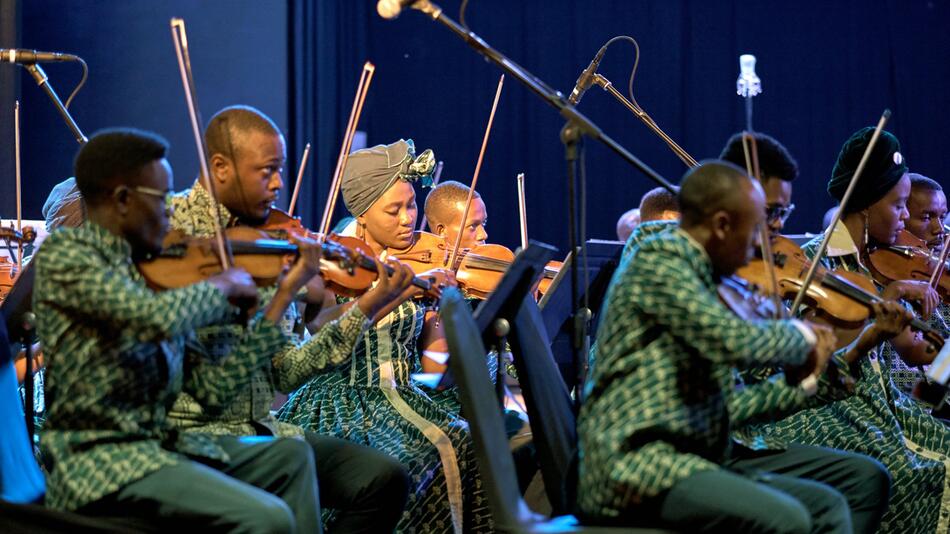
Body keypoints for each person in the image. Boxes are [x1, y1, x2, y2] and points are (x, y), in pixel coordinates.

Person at [35, 128, 324, 532]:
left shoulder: (156, 274)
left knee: (291, 457)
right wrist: (220, 285)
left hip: (164, 448)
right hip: (100, 463)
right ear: (122, 200)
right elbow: (147, 318)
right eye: (162, 198)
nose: (171, 211)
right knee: (268, 517)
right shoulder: (71, 256)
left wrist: (280, 300)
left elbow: (213, 391)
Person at [577, 160, 880, 533]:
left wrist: (809, 381)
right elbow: (728, 338)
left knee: (835, 500)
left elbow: (730, 406)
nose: (761, 246)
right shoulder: (659, 259)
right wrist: (803, 338)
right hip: (634, 465)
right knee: (790, 518)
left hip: (695, 455)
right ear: (721, 225)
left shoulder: (714, 282)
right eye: (755, 230)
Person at [168, 105, 413, 532]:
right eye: (267, 171)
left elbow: (285, 371)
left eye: (280, 171)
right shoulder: (169, 231)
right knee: (290, 465)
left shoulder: (270, 241)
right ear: (221, 168)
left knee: (384, 479)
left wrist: (371, 304)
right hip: (195, 436)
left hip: (264, 428)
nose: (279, 184)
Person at [279, 139, 492, 533]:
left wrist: (444, 313)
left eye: (410, 205)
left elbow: (432, 361)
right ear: (362, 212)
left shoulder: (410, 262)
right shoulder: (331, 263)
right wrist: (390, 292)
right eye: (393, 210)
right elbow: (319, 327)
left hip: (402, 394)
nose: (408, 218)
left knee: (473, 439)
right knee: (440, 447)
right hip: (344, 402)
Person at [749, 127, 950, 532]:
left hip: (882, 404)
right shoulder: (814, 265)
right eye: (899, 207)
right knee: (910, 475)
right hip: (826, 409)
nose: (906, 219)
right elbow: (802, 362)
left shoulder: (868, 264)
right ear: (864, 208)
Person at [889, 173, 949, 398]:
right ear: (900, 217)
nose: (939, 229)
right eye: (927, 217)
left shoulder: (940, 273)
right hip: (917, 402)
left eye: (942, 217)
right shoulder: (886, 282)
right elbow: (912, 379)